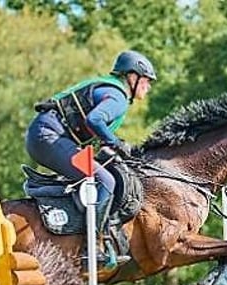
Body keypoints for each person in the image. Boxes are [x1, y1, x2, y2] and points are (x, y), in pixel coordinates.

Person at [25, 50, 156, 270]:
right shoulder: (118, 97)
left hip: (46, 136)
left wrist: (111, 146)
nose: (148, 87)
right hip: (49, 137)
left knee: (96, 174)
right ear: (132, 77)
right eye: (146, 81)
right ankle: (92, 245)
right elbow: (95, 120)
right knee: (105, 181)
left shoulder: (109, 89)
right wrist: (116, 142)